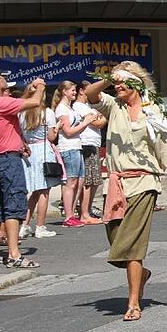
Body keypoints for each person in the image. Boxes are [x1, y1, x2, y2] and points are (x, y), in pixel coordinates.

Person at [85, 61, 167, 321]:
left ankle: (133, 304)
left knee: (131, 244)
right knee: (117, 240)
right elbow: (91, 95)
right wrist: (109, 78)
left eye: (123, 82)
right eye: (116, 83)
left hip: (144, 183)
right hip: (117, 184)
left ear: (136, 84)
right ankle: (142, 274)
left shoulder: (152, 112)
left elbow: (163, 148)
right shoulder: (114, 106)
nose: (118, 87)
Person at [0, 68, 46, 268]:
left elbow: (16, 106)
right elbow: (33, 103)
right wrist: (40, 87)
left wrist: (29, 90)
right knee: (14, 205)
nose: (7, 82)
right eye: (4, 79)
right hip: (8, 161)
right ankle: (14, 254)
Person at [53, 81, 99, 228]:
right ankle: (68, 216)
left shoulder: (69, 108)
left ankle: (73, 213)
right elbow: (67, 132)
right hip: (68, 147)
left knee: (79, 181)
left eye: (74, 90)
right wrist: (86, 122)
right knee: (71, 182)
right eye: (72, 90)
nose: (74, 92)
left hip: (77, 146)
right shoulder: (61, 109)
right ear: (64, 92)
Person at [18, 84, 61, 239]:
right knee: (44, 190)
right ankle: (41, 226)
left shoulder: (21, 113)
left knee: (34, 191)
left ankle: (24, 224)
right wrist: (57, 128)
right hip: (43, 150)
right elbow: (51, 137)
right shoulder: (47, 112)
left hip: (28, 150)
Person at [73, 81, 106, 225]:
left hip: (94, 143)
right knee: (88, 181)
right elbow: (98, 123)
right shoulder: (78, 106)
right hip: (86, 143)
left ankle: (88, 210)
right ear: (82, 91)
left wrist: (100, 116)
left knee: (94, 180)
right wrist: (103, 115)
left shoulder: (88, 106)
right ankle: (84, 213)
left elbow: (98, 120)